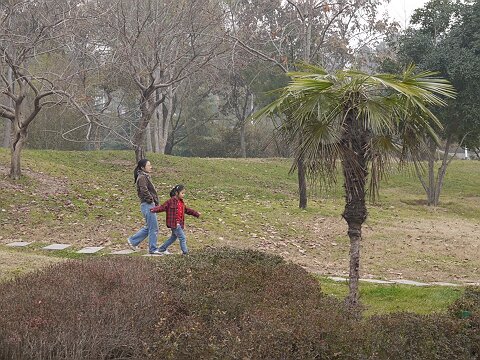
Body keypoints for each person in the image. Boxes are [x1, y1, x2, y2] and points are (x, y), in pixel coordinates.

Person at [150, 184, 200, 255]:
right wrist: (153, 210)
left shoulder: (181, 202)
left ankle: (162, 249)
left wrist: (196, 213)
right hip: (174, 224)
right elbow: (162, 207)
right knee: (182, 238)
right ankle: (185, 253)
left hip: (179, 223)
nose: (184, 195)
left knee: (173, 238)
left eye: (184, 193)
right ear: (177, 193)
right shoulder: (170, 201)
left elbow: (187, 210)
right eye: (182, 193)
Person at [127, 159, 162, 255]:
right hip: (147, 204)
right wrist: (151, 200)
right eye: (149, 165)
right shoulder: (142, 177)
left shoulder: (144, 176)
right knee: (153, 228)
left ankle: (133, 241)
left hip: (148, 205)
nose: (151, 167)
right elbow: (143, 190)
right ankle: (153, 249)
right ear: (143, 167)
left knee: (150, 227)